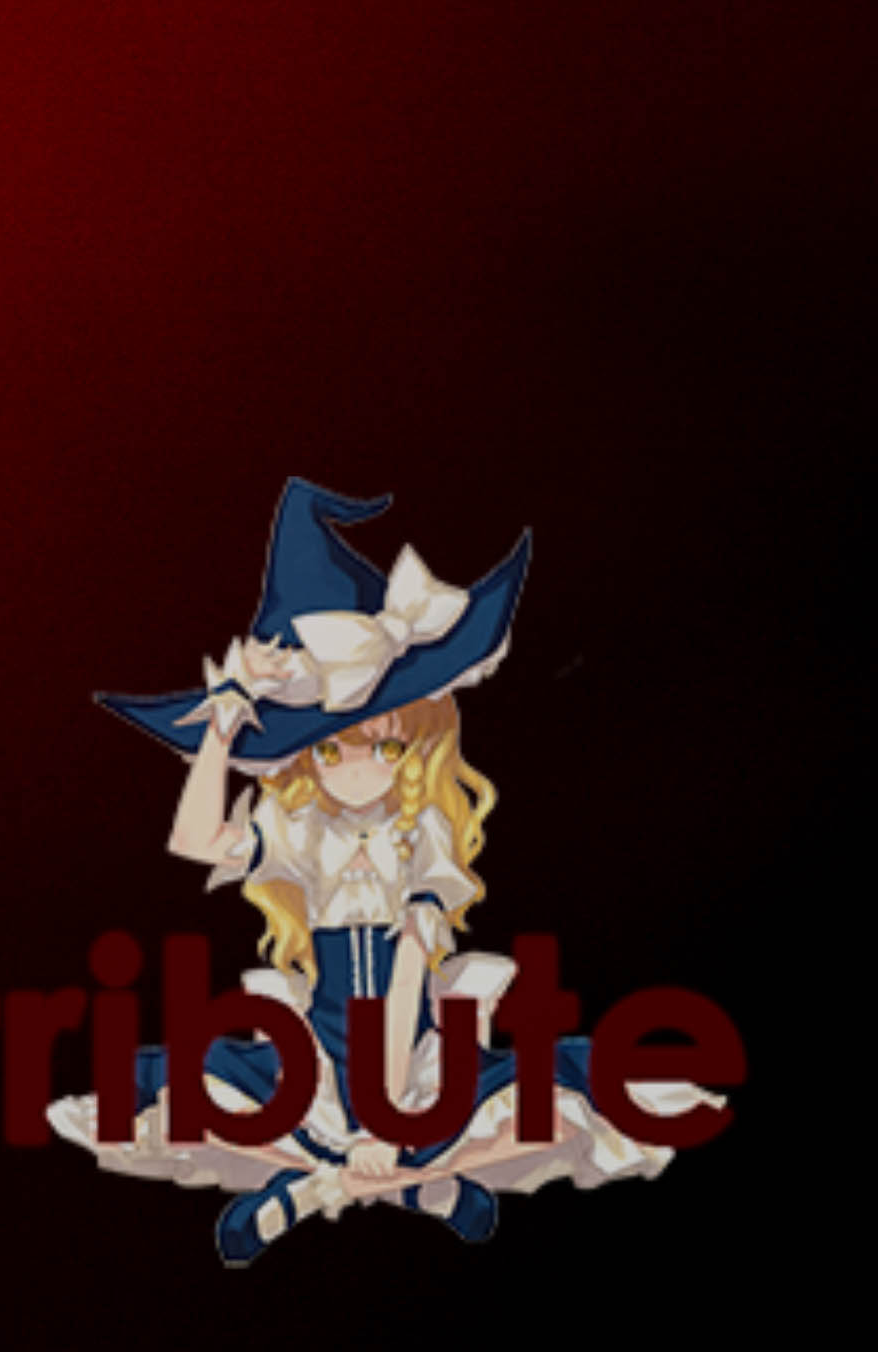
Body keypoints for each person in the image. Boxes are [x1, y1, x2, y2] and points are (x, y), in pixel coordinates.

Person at [52, 479, 703, 1258]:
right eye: (330, 748)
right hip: (320, 1055)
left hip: (416, 1052)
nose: (358, 767)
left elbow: (405, 977)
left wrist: (389, 1115)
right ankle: (422, 1187)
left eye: (384, 745)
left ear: (415, 744)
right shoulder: (300, 829)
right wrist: (225, 719)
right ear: (304, 757)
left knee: (554, 1108)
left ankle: (321, 1189)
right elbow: (194, 840)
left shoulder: (421, 834)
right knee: (187, 1096)